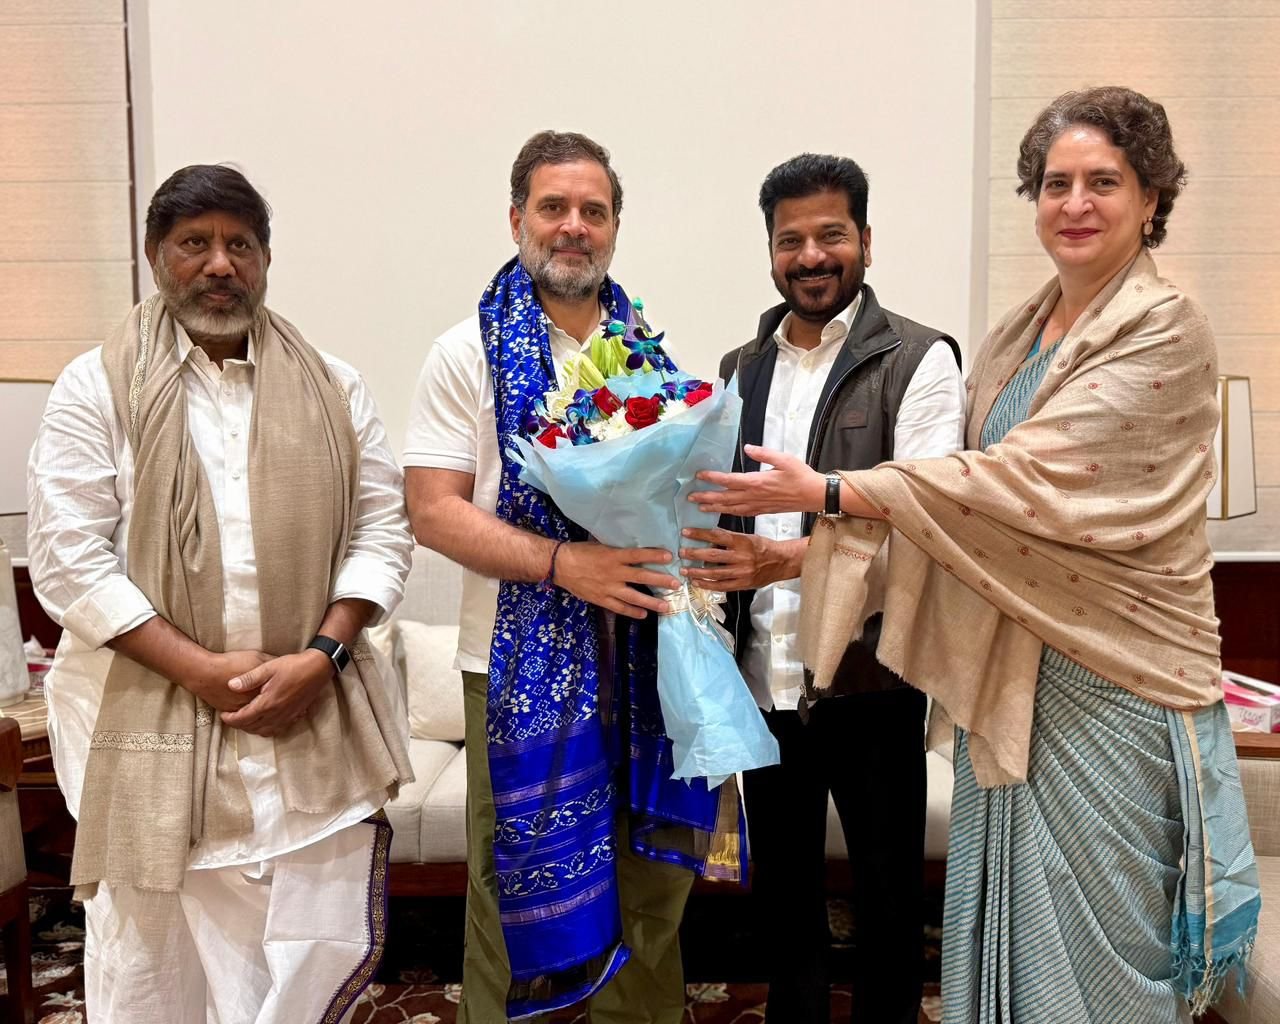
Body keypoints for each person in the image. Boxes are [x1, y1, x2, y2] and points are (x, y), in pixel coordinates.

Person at [690, 87, 1261, 1024]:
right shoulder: (1017, 333)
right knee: (984, 928)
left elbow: (1008, 485)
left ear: (1151, 196)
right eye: (1056, 183)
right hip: (1004, 677)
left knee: (1091, 944)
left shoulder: (1159, 328)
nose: (1075, 203)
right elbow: (964, 509)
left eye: (1103, 182)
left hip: (1105, 676)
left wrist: (825, 496)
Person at [26, 164, 414, 1024]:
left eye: (240, 244)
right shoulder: (96, 388)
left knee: (309, 950)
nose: (219, 264)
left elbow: (383, 530)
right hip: (146, 729)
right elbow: (67, 561)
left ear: (266, 259)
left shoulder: (335, 387)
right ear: (154, 256)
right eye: (194, 243)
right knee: (154, 965)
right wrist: (201, 672)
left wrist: (322, 657)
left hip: (310, 718)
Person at [404, 130, 742, 1023]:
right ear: (516, 218)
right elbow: (431, 510)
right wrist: (564, 564)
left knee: (649, 880)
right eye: (553, 207)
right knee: (514, 885)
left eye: (594, 210)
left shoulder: (651, 356)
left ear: (616, 227)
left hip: (645, 655)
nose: (573, 226)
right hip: (514, 668)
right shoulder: (465, 353)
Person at [678, 153, 964, 1024]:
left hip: (871, 681)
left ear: (866, 241)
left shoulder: (919, 359)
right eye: (790, 240)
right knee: (785, 911)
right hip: (762, 684)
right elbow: (721, 505)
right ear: (770, 251)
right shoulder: (739, 367)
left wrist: (781, 560)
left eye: (830, 235)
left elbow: (922, 517)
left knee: (888, 909)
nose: (810, 256)